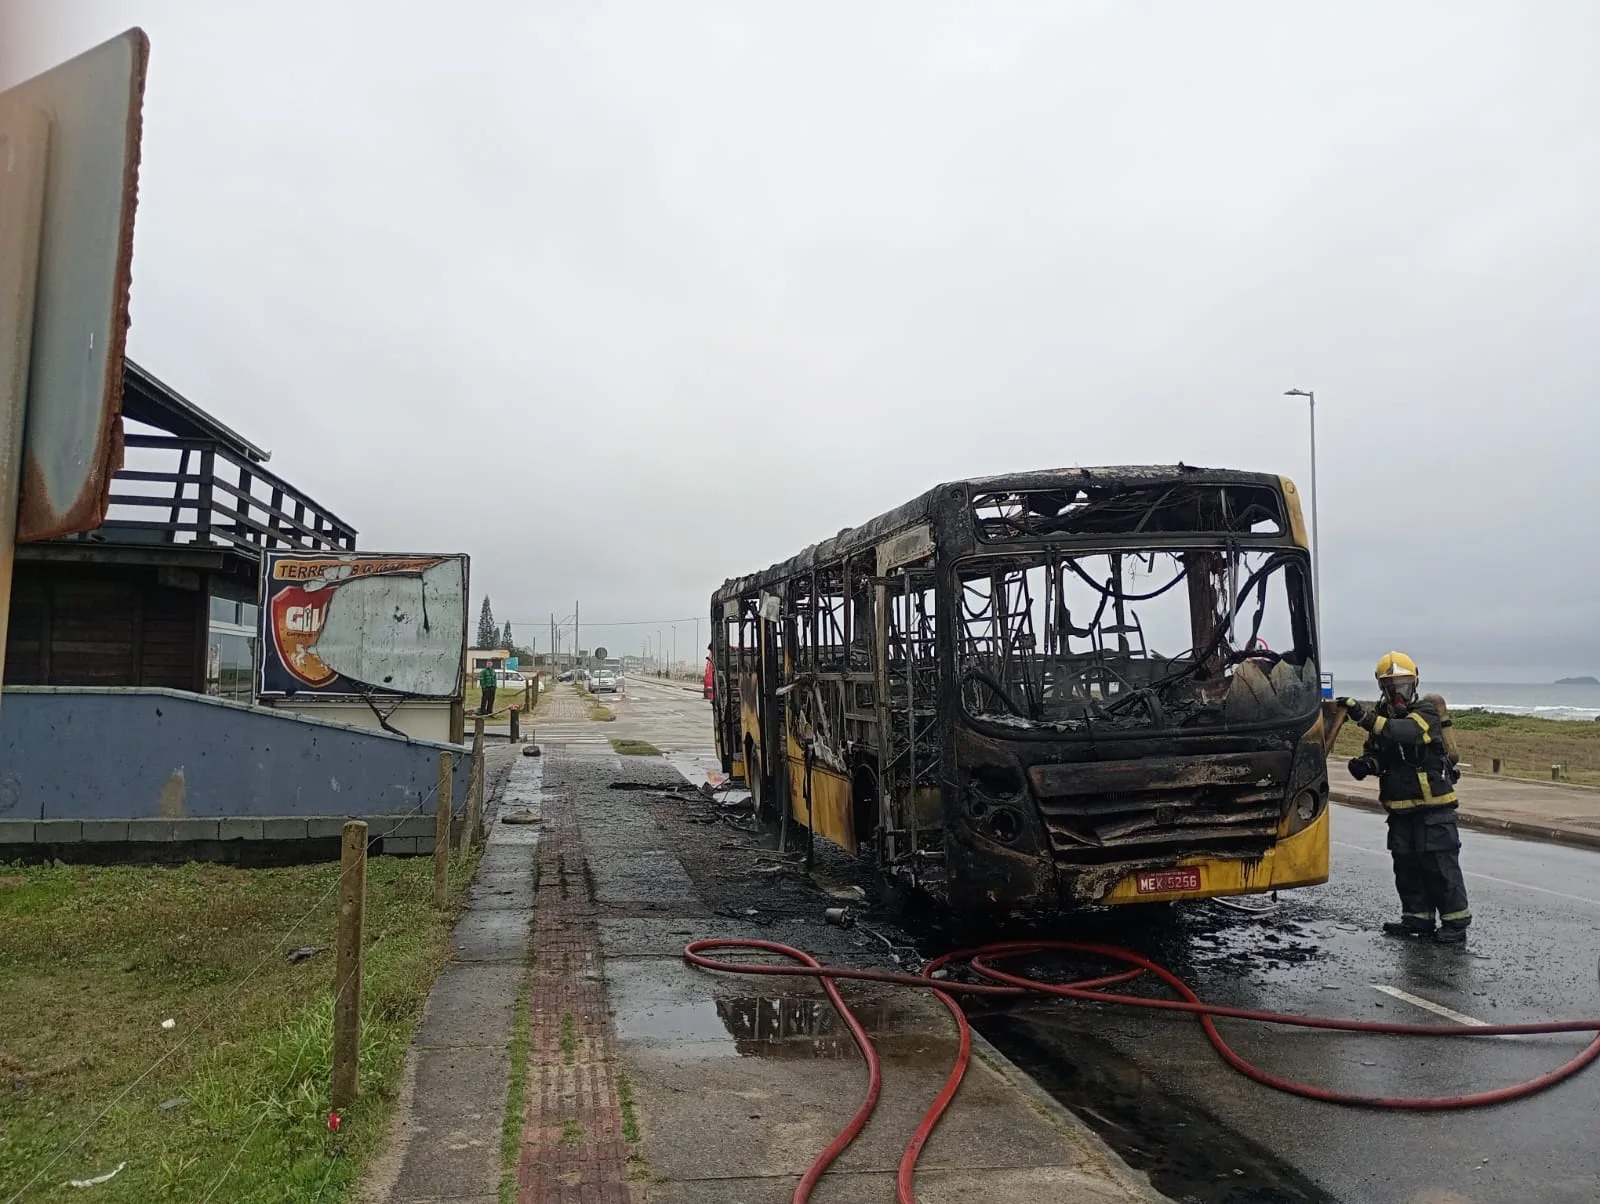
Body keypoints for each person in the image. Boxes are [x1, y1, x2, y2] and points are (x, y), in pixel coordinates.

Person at [1338, 652, 1471, 944]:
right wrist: (1365, 765)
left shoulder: (1427, 712)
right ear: (1382, 688)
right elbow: (1378, 754)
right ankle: (1417, 919)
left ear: (1415, 684)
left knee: (1440, 866)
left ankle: (1456, 922)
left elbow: (1407, 732)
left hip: (1434, 808)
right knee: (1407, 867)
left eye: (1403, 685)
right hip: (1400, 809)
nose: (1398, 693)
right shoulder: (1382, 717)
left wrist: (1363, 716)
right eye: (1391, 686)